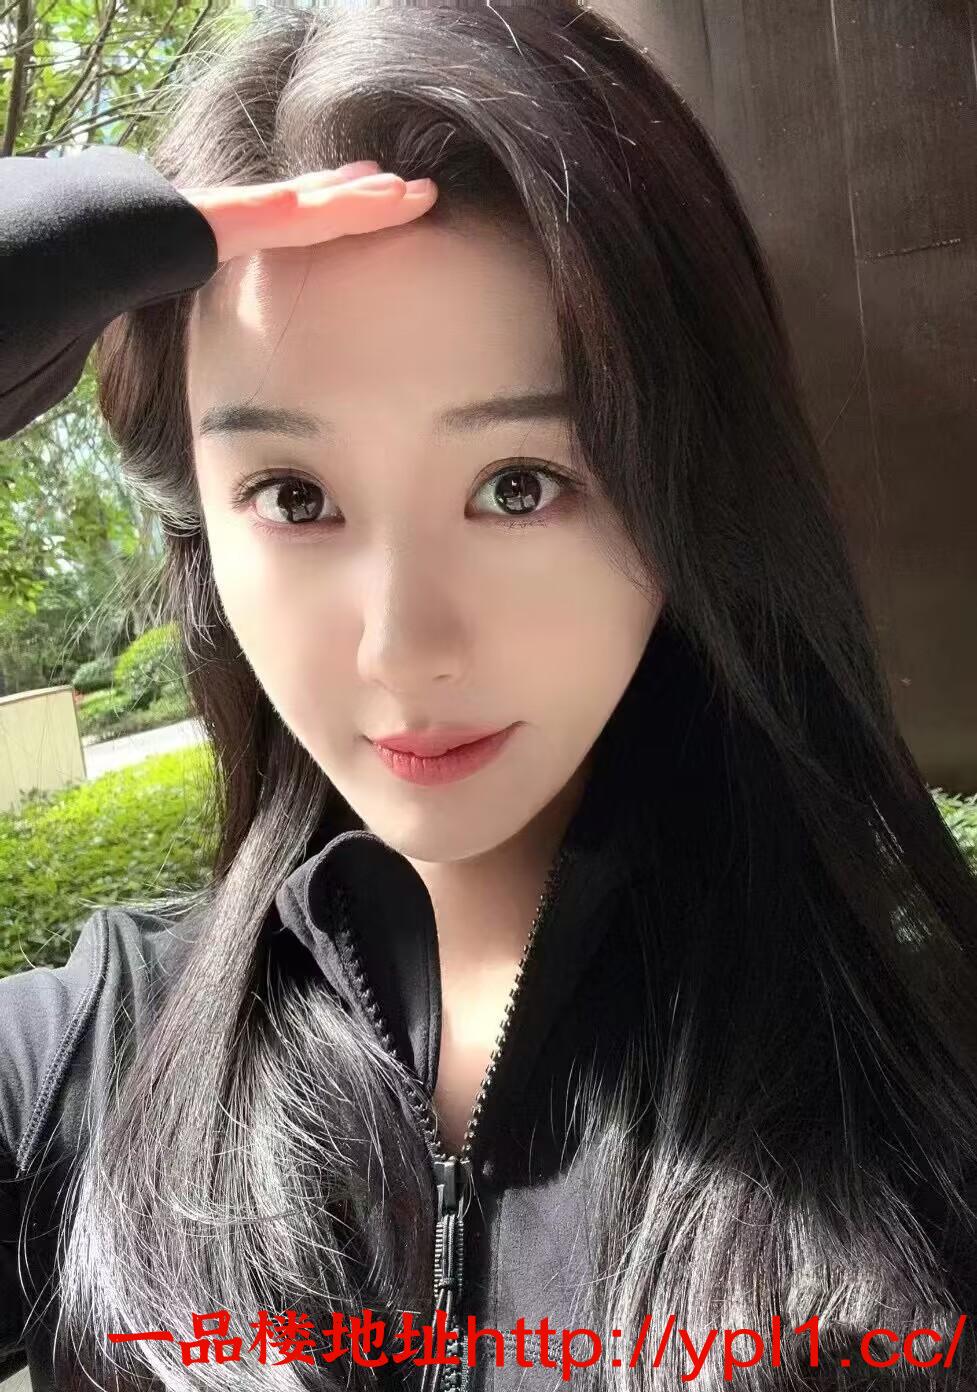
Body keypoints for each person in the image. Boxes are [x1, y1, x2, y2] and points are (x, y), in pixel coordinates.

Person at [2, 3, 977, 1390]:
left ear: (687, 489)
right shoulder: (86, 1066)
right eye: (293, 497)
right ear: (201, 529)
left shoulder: (923, 1072)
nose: (404, 649)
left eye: (520, 485)